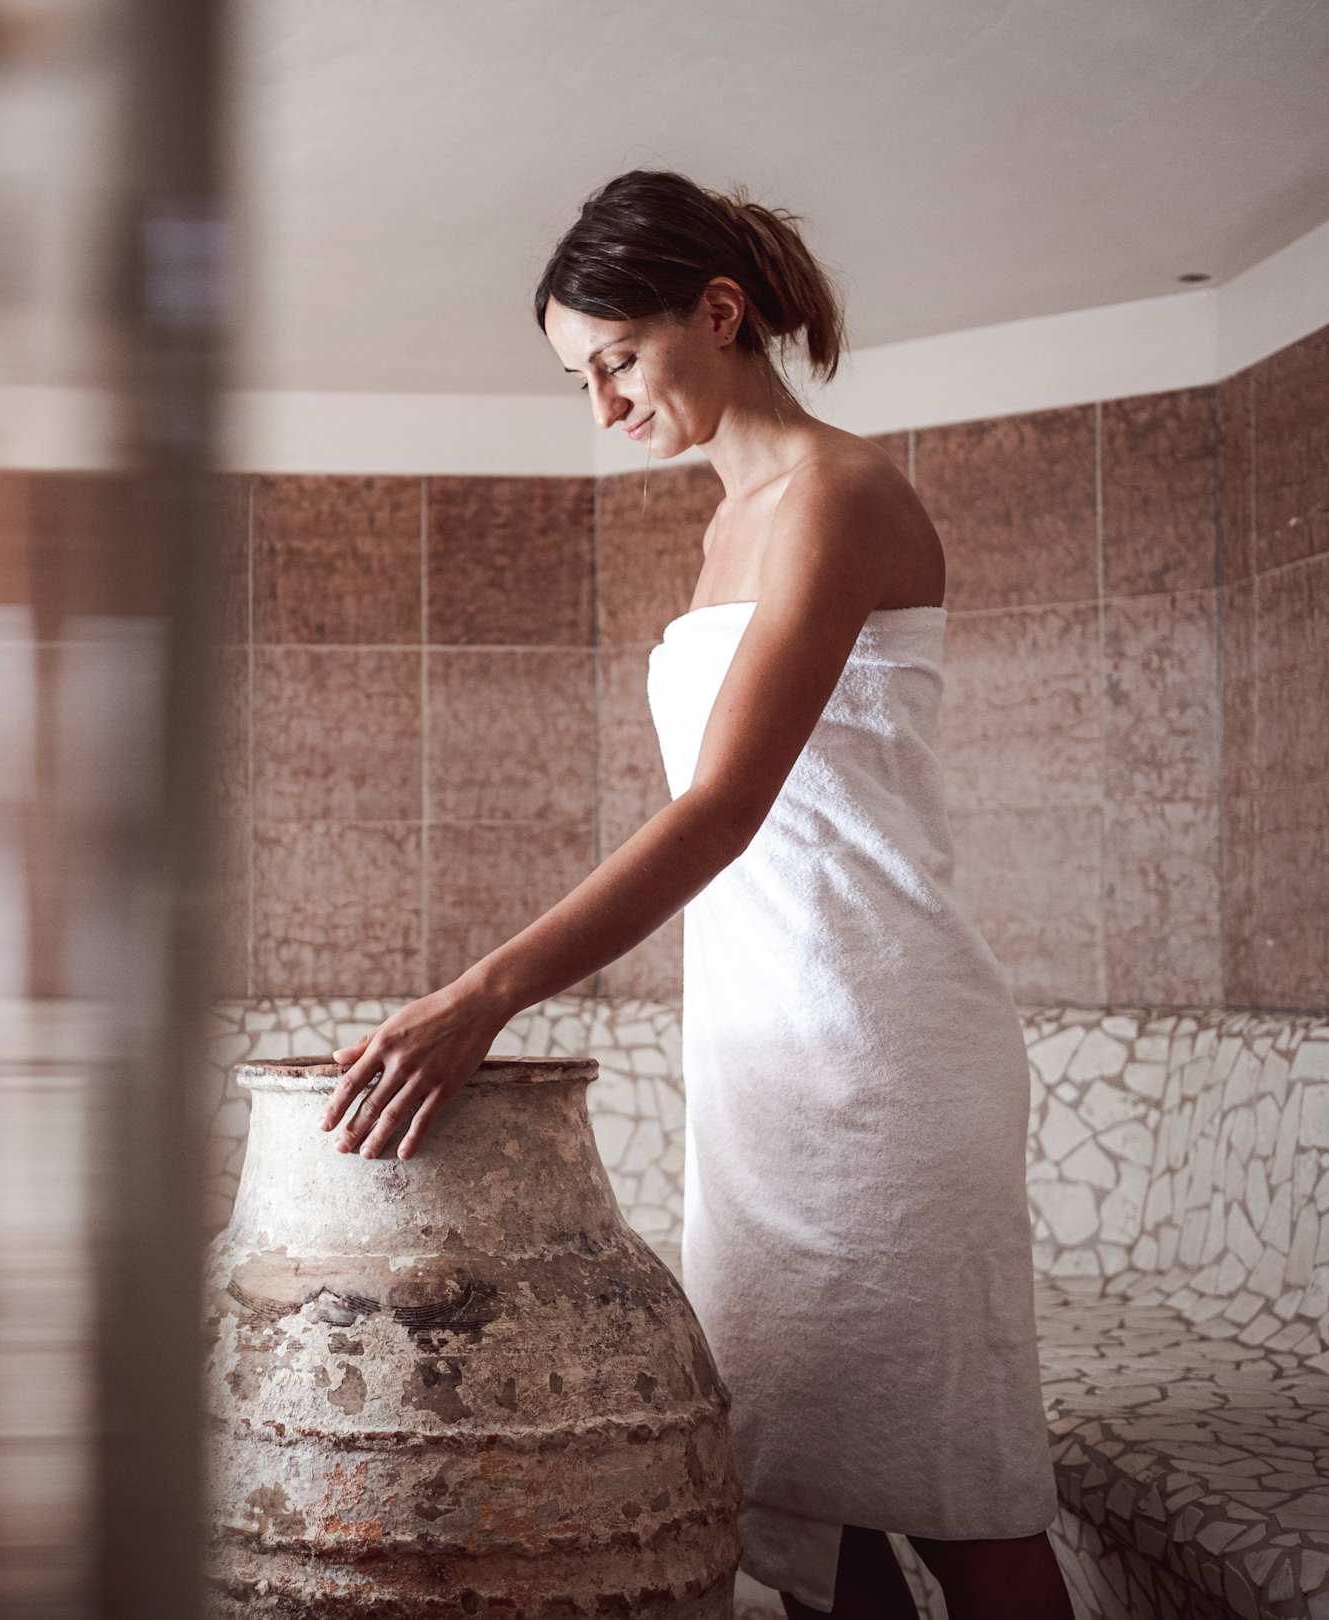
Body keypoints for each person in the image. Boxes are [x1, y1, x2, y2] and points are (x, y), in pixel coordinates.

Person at [316, 170, 1072, 1620]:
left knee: (956, 1491)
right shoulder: (729, 528)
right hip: (764, 1062)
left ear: (718, 314)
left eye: (616, 360)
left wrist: (482, 996)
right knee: (801, 1494)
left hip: (884, 1048)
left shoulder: (838, 496)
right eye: (577, 379)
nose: (602, 405)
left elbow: (724, 810)